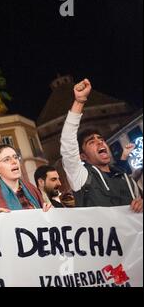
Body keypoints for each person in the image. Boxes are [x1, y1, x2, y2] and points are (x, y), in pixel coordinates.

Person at [60, 78, 142, 212]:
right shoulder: (81, 177)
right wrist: (79, 102)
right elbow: (68, 142)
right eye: (91, 142)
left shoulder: (127, 179)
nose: (99, 142)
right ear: (82, 156)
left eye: (101, 139)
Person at [0, 144, 52, 213]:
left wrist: (51, 212)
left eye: (15, 157)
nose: (14, 161)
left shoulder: (40, 193)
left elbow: (52, 220)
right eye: (7, 159)